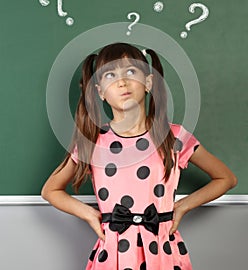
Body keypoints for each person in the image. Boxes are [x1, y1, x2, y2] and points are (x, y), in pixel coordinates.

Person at [41, 42, 237, 270]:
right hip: (114, 253)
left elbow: (226, 178)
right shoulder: (93, 141)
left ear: (148, 82)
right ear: (100, 92)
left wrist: (182, 206)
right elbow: (50, 190)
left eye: (131, 71)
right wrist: (88, 214)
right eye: (110, 75)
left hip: (163, 250)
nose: (122, 82)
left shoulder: (173, 135)